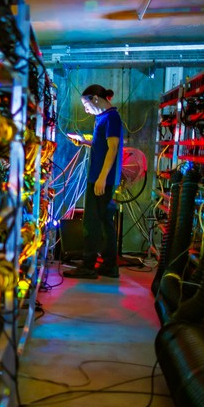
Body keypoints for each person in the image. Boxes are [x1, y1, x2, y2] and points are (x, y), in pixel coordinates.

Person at [63, 84, 123, 279]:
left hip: (100, 179)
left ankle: (88, 266)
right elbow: (103, 145)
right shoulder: (103, 118)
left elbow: (113, 149)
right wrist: (84, 141)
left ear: (96, 99)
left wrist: (102, 178)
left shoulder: (111, 117)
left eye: (86, 104)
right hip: (101, 178)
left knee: (92, 222)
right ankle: (109, 266)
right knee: (105, 222)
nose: (85, 109)